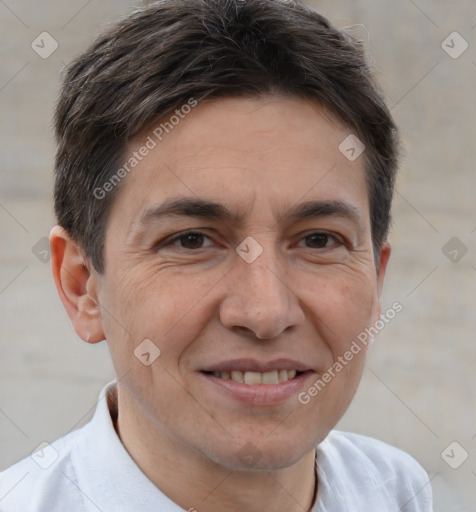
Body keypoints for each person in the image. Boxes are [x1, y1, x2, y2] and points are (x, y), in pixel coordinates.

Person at [0, 0, 433, 510]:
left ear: (376, 282)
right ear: (82, 287)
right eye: (191, 240)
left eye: (318, 240)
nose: (265, 312)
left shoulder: (397, 491)